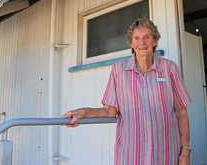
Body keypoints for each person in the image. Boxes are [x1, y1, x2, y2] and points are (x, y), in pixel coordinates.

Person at [64, 18, 191, 165]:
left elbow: (181, 112)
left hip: (166, 154)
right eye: (136, 38)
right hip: (131, 155)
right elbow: (109, 111)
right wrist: (83, 112)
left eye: (147, 37)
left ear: (155, 41)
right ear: (131, 43)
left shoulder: (169, 69)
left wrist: (186, 151)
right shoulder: (119, 71)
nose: (142, 42)